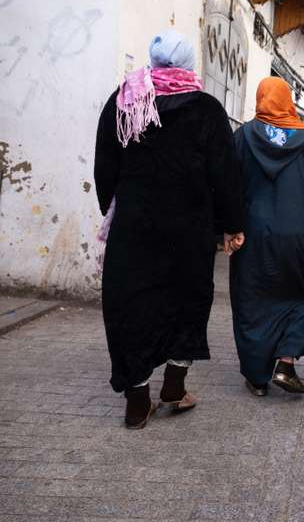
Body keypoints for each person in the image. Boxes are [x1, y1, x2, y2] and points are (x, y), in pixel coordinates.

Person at [94, 29, 244, 430]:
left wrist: (116, 208)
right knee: (188, 303)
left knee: (133, 306)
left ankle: (137, 401)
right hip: (189, 229)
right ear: (189, 64)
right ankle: (174, 390)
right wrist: (231, 225)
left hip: (135, 228)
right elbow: (224, 173)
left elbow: (104, 166)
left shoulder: (124, 100)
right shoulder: (208, 109)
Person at [230, 77, 304, 397]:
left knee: (253, 301)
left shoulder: (243, 136)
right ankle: (285, 363)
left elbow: (230, 187)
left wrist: (227, 228)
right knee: (297, 297)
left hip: (254, 237)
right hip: (302, 238)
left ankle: (256, 376)